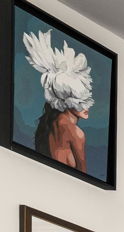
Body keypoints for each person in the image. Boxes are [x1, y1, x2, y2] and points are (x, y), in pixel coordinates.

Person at [21, 27, 93, 173]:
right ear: (65, 101)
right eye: (79, 101)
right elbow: (83, 179)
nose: (86, 105)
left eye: (86, 98)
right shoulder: (75, 132)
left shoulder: (47, 124)